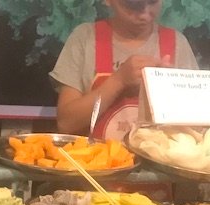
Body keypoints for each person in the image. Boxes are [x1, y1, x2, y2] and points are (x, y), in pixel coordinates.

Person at [50, 0, 198, 139]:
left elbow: (197, 128)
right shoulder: (85, 38)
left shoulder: (177, 43)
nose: (145, 14)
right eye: (133, 5)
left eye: (153, 2)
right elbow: (66, 123)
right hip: (97, 162)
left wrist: (172, 91)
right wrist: (119, 80)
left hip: (156, 165)